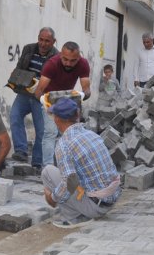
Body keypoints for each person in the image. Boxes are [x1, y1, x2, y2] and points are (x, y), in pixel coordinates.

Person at [41, 98, 121, 228]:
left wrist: (52, 197)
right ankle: (80, 210)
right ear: (77, 115)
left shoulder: (64, 144)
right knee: (69, 175)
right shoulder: (92, 134)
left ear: (57, 119)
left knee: (48, 172)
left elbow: (70, 183)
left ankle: (74, 217)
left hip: (95, 207)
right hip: (112, 198)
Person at [34, 41, 92, 166]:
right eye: (65, 59)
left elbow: (87, 90)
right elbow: (38, 92)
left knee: (71, 135)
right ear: (60, 54)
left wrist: (82, 95)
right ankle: (48, 168)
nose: (68, 63)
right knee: (50, 133)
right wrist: (45, 104)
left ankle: (70, 166)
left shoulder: (83, 64)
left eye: (73, 61)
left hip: (68, 101)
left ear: (79, 57)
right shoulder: (51, 64)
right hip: (50, 100)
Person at [8, 27, 58, 167]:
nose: (43, 44)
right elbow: (20, 67)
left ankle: (37, 161)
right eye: (41, 39)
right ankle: (21, 151)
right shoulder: (28, 49)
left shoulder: (57, 58)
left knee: (41, 130)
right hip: (25, 92)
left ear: (53, 42)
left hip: (41, 96)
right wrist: (16, 76)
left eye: (47, 41)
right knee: (14, 116)